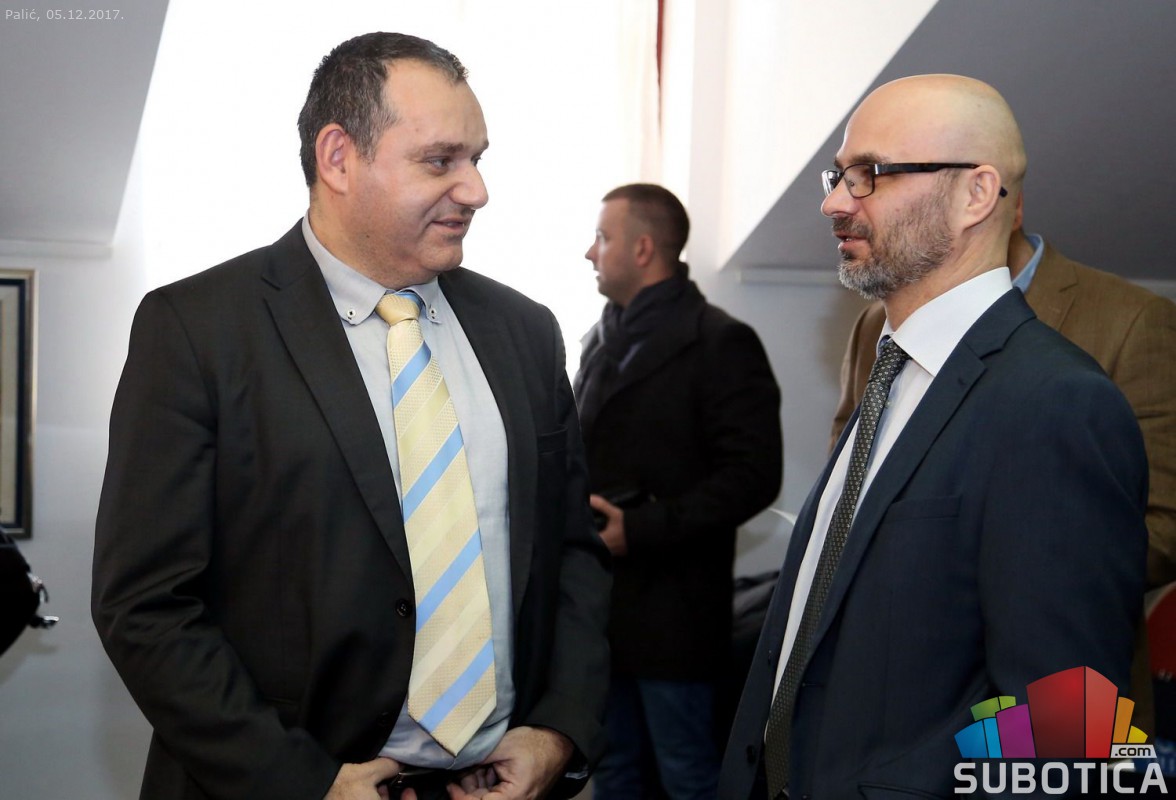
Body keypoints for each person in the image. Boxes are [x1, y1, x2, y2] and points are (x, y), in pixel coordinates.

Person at [92, 32, 610, 800]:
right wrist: (305, 783)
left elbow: (573, 555)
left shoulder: (525, 332)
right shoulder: (199, 329)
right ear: (338, 158)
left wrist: (558, 731)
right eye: (440, 160)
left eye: (477, 159)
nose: (476, 190)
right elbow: (146, 607)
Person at [718, 75, 1149, 799]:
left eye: (870, 173)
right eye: (838, 175)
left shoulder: (1055, 403)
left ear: (975, 195)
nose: (833, 202)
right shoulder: (890, 364)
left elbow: (1065, 730)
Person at [575, 183, 782, 800]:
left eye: (603, 237)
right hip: (602, 613)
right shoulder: (598, 339)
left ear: (642, 249)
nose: (589, 252)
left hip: (675, 616)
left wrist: (639, 529)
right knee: (615, 773)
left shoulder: (720, 341)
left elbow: (753, 476)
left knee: (687, 777)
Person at [831, 229, 1176, 589]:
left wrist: (990, 588)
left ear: (995, 203)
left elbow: (1164, 524)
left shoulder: (1135, 319)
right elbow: (845, 473)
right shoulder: (876, 324)